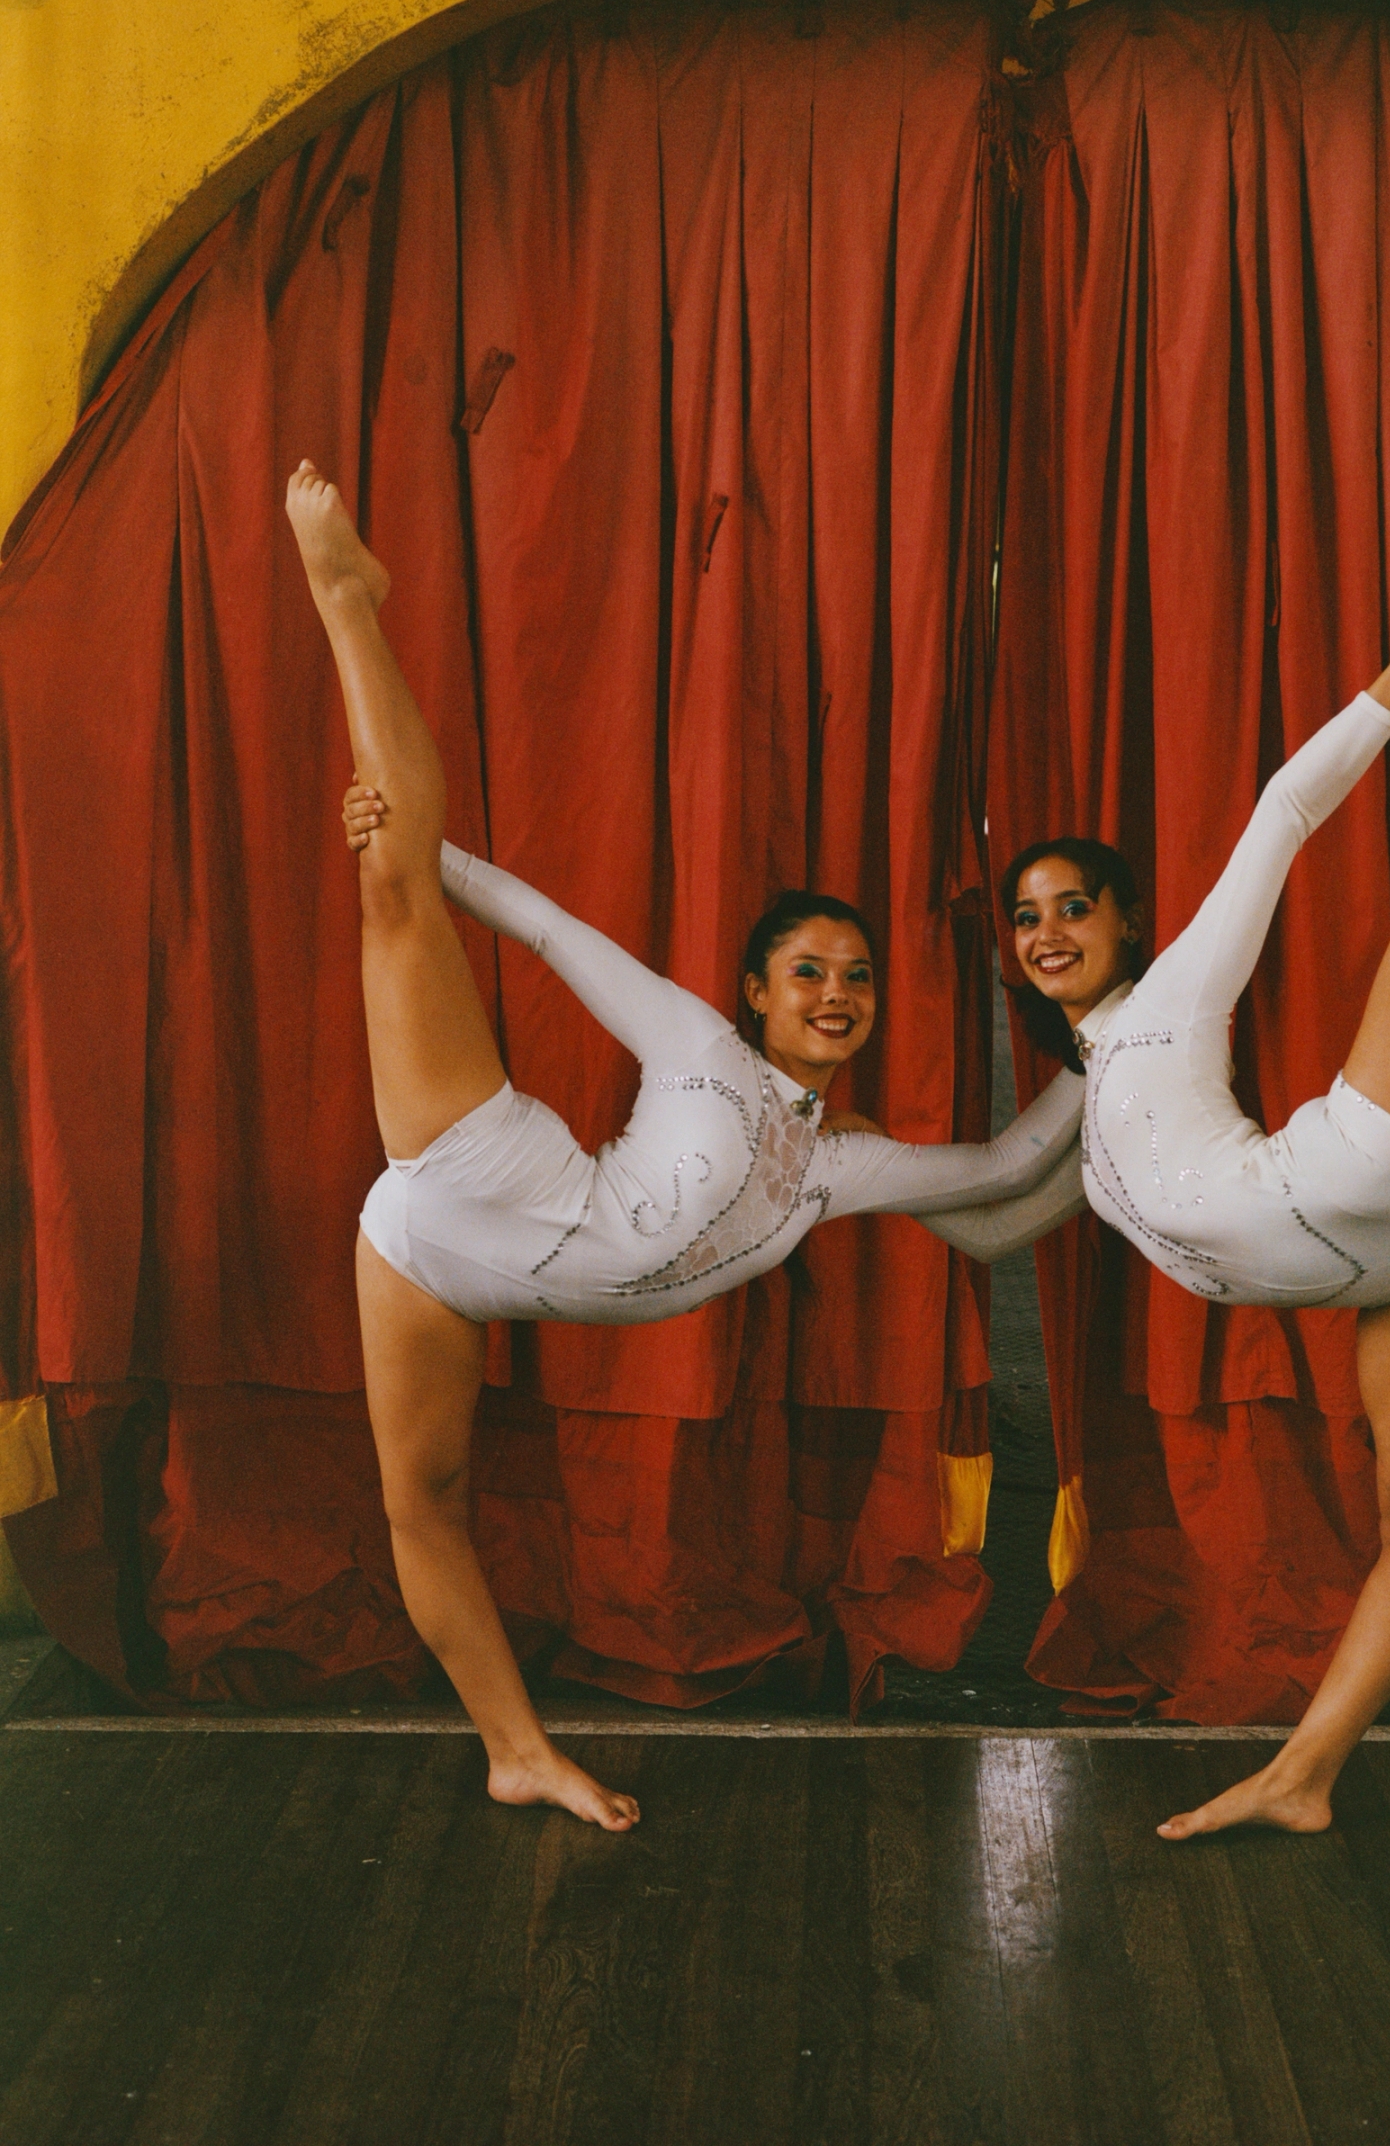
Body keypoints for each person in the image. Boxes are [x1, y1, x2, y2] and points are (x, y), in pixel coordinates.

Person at [285, 459, 1083, 1826]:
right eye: (807, 972)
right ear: (757, 992)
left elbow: (1007, 1186)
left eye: (858, 978)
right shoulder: (699, 1045)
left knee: (433, 1500)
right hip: (477, 1176)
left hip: (450, 1275)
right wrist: (423, 853)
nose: (836, 994)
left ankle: (517, 1754)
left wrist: (1106, 1055)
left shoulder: (836, 1168)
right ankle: (348, 598)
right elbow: (548, 931)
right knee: (396, 898)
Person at [925, 434, 1390, 1839]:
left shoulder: (1172, 996)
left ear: (1124, 922)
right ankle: (1302, 1777)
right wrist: (812, 1176)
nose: (1047, 933)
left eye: (1074, 907)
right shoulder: (1083, 1109)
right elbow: (992, 1216)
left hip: (1360, 1167)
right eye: (1026, 917)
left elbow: (1282, 813)